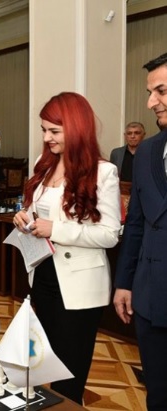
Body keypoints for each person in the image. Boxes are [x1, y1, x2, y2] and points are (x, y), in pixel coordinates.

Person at [13, 92, 120, 404]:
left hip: (79, 286)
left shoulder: (103, 172)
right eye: (44, 130)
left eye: (54, 131)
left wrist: (56, 230)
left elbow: (109, 234)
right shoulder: (42, 165)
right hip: (43, 274)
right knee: (43, 369)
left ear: (76, 128)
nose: (46, 138)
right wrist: (25, 218)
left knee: (68, 376)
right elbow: (37, 213)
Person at [114, 52, 167, 410]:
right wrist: (124, 281)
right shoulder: (147, 151)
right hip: (150, 300)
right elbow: (135, 225)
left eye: (161, 91)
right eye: (150, 92)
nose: (151, 102)